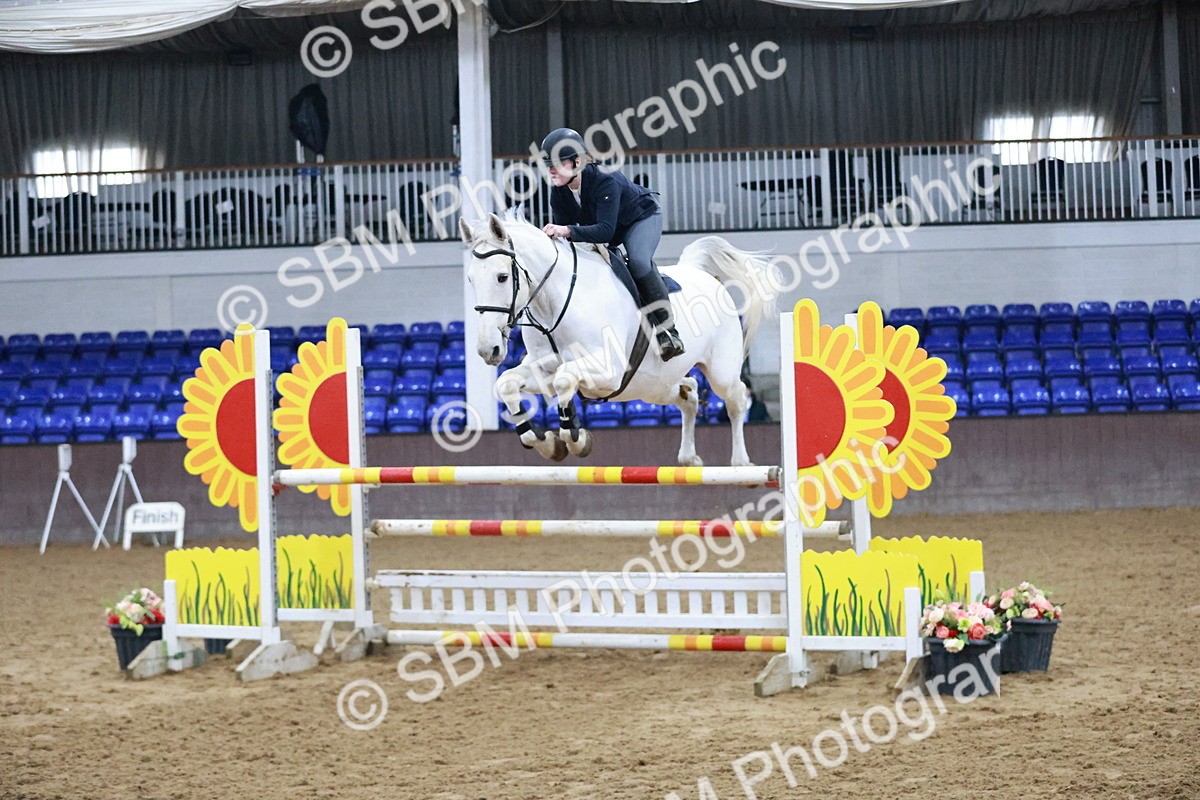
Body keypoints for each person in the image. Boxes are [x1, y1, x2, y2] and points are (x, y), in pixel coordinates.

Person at [538, 127, 685, 361]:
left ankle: (669, 331)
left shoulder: (605, 180)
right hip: (608, 228)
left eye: (557, 163)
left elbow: (605, 231)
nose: (551, 170)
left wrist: (565, 230)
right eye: (548, 165)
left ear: (577, 162)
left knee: (637, 262)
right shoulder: (558, 193)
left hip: (639, 218)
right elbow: (567, 244)